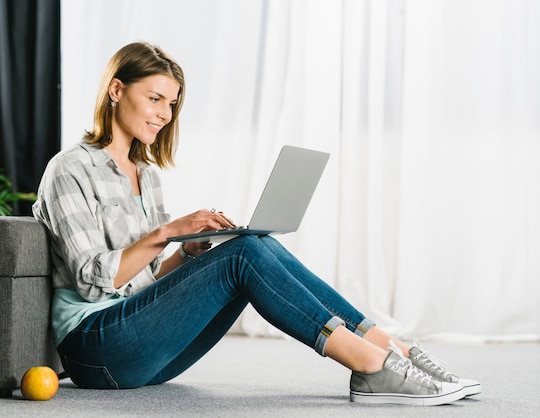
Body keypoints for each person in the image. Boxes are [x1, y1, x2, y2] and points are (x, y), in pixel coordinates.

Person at [33, 42, 480, 406]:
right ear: (116, 90)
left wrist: (186, 255)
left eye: (171, 104)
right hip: (94, 349)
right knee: (243, 255)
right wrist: (165, 233)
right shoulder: (69, 169)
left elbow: (142, 282)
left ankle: (391, 347)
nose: (165, 114)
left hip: (145, 351)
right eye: (154, 98)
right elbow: (93, 283)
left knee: (253, 243)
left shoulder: (146, 175)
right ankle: (370, 366)